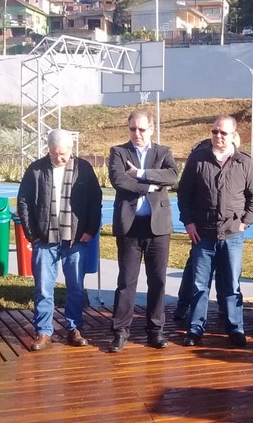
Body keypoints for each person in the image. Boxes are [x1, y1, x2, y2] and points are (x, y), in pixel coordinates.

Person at [178, 115, 253, 347]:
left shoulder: (244, 162)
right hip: (203, 235)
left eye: (223, 133)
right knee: (199, 285)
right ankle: (195, 329)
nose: (218, 136)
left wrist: (245, 221)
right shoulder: (197, 160)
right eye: (214, 131)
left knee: (231, 285)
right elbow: (184, 193)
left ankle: (235, 328)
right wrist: (188, 222)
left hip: (233, 235)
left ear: (233, 135)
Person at [17, 129, 102, 351]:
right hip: (45, 239)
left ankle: (74, 328)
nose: (59, 158)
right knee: (44, 287)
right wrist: (32, 234)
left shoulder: (84, 169)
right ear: (48, 149)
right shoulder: (36, 169)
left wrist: (91, 230)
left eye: (63, 153)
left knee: (76, 286)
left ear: (71, 149)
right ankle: (44, 331)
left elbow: (95, 200)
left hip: (75, 239)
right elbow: (23, 201)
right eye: (54, 153)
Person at [108, 109, 179, 353]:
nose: (136, 133)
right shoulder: (118, 152)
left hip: (158, 228)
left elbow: (172, 176)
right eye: (132, 129)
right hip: (130, 227)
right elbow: (119, 180)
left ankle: (155, 330)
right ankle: (120, 331)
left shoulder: (163, 152)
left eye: (141, 129)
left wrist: (140, 174)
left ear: (151, 129)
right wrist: (151, 186)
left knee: (157, 281)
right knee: (126, 281)